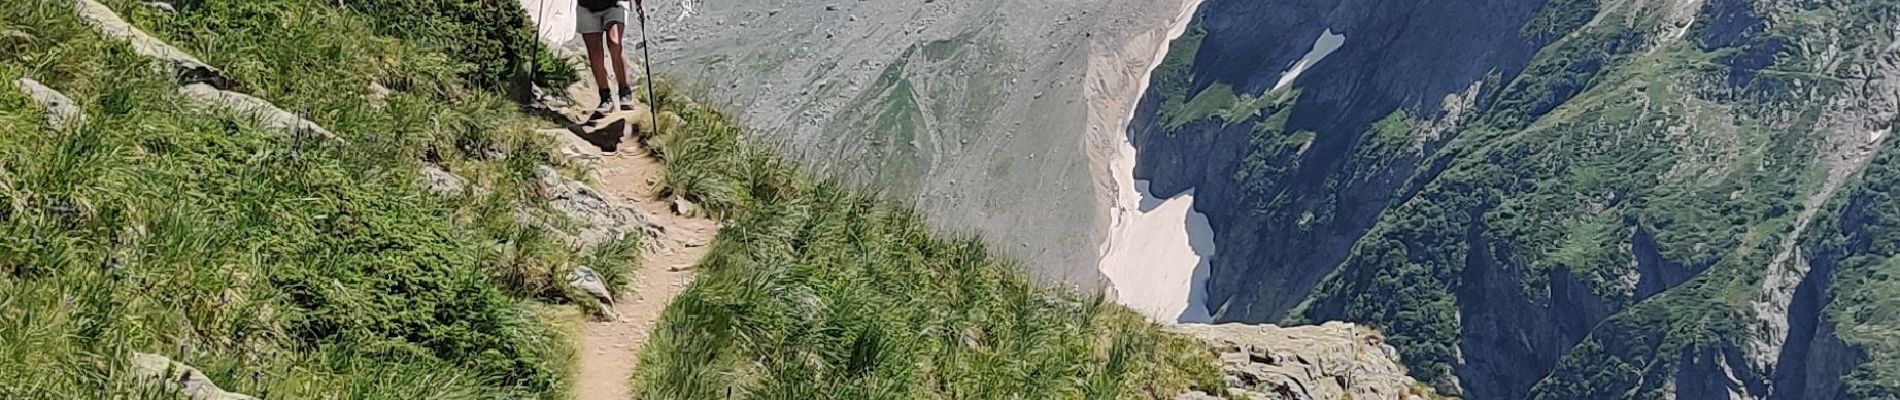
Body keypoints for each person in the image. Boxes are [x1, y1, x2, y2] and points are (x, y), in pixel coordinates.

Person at [577, 0, 643, 116]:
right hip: (586, 6)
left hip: (615, 4)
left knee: (614, 42)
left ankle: (624, 91)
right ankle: (605, 96)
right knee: (595, 54)